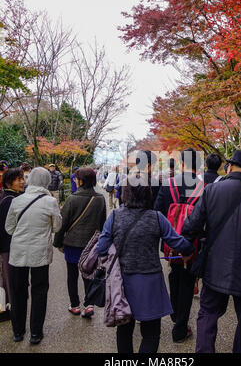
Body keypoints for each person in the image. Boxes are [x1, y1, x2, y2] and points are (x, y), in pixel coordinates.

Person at [181, 150, 241, 353]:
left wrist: (189, 247)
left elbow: (191, 226)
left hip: (214, 267)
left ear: (230, 167)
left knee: (208, 314)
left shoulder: (210, 192)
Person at [96, 173, 195, 353]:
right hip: (150, 282)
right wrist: (191, 249)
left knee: (124, 330)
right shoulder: (156, 217)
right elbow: (178, 242)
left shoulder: (115, 216)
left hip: (123, 282)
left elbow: (101, 248)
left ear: (126, 193)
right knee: (151, 333)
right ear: (148, 193)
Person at [5, 167, 62, 344]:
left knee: (17, 291)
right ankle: (36, 333)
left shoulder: (17, 200)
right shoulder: (50, 202)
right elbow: (56, 227)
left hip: (18, 253)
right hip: (40, 254)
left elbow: (9, 228)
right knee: (39, 292)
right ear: (46, 181)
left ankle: (18, 331)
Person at [154, 148, 202, 343]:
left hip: (171, 243)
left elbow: (157, 213)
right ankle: (180, 327)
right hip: (193, 246)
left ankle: (175, 315)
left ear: (181, 163)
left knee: (174, 276)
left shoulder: (167, 185)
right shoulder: (203, 188)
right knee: (188, 281)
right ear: (198, 165)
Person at [53, 167, 106, 318]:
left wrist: (58, 242)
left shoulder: (72, 198)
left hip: (72, 243)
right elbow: (103, 224)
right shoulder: (100, 199)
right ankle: (89, 304)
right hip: (91, 245)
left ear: (81, 181)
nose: (75, 180)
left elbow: (62, 224)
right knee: (89, 274)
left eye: (77, 178)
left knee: (72, 275)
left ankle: (74, 305)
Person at [0, 168, 25, 322]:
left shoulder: (11, 197)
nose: (22, 182)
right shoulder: (9, 201)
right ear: (9, 182)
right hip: (7, 246)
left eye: (22, 178)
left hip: (10, 246)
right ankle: (11, 309)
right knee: (9, 279)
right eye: (18, 179)